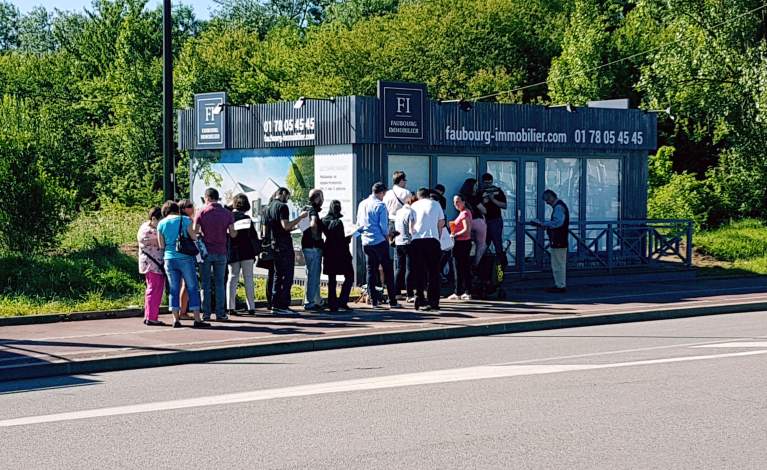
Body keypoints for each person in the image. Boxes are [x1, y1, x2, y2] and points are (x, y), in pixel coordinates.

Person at [157, 201, 210, 328]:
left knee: (174, 288)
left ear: (165, 212)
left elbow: (161, 245)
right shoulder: (186, 220)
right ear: (177, 209)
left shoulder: (161, 223)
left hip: (169, 258)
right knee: (192, 287)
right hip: (185, 258)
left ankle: (176, 319)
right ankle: (197, 319)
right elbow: (193, 237)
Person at [356, 182, 400, 309]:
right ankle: (392, 300)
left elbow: (359, 223)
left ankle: (373, 300)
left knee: (370, 271)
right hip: (379, 241)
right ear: (381, 192)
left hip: (366, 242)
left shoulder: (362, 204)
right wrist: (388, 238)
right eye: (384, 194)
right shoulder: (380, 206)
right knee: (388, 270)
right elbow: (383, 227)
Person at [195, 188, 237, 322]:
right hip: (221, 251)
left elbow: (195, 232)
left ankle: (206, 314)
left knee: (205, 284)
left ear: (206, 198)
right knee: (220, 284)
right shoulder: (227, 213)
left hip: (206, 252)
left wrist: (203, 234)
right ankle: (220, 313)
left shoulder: (201, 212)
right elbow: (233, 233)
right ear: (218, 198)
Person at [266, 187, 308, 314]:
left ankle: (275, 304)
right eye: (288, 196)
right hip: (284, 245)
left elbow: (271, 228)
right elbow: (286, 226)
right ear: (283, 193)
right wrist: (300, 218)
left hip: (274, 244)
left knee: (277, 275)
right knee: (287, 275)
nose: (288, 199)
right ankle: (283, 305)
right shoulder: (282, 207)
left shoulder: (268, 207)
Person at [409, 187, 445, 311]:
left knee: (419, 271)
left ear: (418, 196)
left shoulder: (413, 206)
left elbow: (411, 226)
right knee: (434, 273)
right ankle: (433, 301)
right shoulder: (436, 204)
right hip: (432, 240)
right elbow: (441, 224)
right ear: (428, 195)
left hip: (416, 241)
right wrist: (438, 238)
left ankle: (419, 297)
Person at [227, 193, 259, 316]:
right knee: (249, 279)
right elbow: (253, 237)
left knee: (232, 278)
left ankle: (231, 307)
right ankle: (251, 306)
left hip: (233, 251)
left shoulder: (228, 217)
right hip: (247, 251)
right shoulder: (247, 219)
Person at [532, 189, 570, 293]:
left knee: (558, 263)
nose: (547, 203)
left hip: (559, 239)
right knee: (559, 263)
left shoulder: (558, 207)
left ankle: (560, 285)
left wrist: (544, 224)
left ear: (551, 197)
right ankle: (560, 284)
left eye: (547, 200)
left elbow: (557, 223)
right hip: (560, 239)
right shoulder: (561, 206)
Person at [321, 200, 354, 312]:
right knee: (349, 276)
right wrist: (348, 239)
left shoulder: (324, 220)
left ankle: (332, 303)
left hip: (329, 251)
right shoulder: (338, 222)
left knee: (332, 279)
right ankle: (342, 301)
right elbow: (340, 240)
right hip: (341, 253)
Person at [137, 207, 165, 326]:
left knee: (155, 289)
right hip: (152, 264)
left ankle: (151, 315)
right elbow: (162, 241)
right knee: (154, 289)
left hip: (154, 264)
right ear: (154, 219)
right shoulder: (150, 231)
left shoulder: (145, 227)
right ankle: (151, 317)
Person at [302, 189, 325, 312]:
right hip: (313, 246)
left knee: (311, 274)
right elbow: (313, 224)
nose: (322, 200)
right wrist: (316, 237)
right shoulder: (313, 210)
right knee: (314, 275)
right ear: (317, 198)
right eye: (321, 197)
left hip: (306, 245)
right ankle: (310, 302)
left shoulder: (305, 209)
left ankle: (316, 300)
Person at [447, 194, 473, 301]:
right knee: (464, 268)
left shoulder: (465, 213)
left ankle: (459, 291)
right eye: (454, 202)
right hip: (462, 243)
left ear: (464, 201)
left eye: (458, 201)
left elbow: (467, 230)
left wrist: (454, 235)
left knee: (459, 268)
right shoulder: (463, 213)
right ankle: (466, 291)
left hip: (462, 243)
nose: (455, 204)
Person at [477, 173, 507, 259]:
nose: (488, 185)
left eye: (490, 183)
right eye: (486, 183)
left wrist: (492, 199)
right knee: (483, 244)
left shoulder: (497, 191)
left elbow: (504, 205)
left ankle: (500, 270)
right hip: (483, 221)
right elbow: (476, 208)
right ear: (482, 182)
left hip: (495, 220)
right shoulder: (480, 193)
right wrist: (483, 202)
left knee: (497, 245)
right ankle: (483, 268)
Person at [393, 195, 416, 302]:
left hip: (398, 242)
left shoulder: (399, 212)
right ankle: (410, 294)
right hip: (408, 242)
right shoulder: (411, 212)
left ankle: (397, 292)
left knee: (399, 268)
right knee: (410, 269)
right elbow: (412, 229)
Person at [459, 178, 487, 266]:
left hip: (466, 222)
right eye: (475, 185)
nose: (477, 187)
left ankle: (466, 264)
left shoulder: (461, 197)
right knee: (481, 245)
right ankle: (476, 265)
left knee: (467, 244)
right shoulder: (474, 197)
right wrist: (484, 202)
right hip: (478, 222)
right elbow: (484, 210)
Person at [177, 199, 196, 320]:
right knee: (187, 284)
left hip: (172, 255)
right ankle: (183, 311)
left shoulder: (170, 221)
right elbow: (193, 236)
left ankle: (176, 312)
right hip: (185, 254)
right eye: (189, 206)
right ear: (183, 209)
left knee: (176, 284)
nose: (192, 208)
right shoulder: (187, 220)